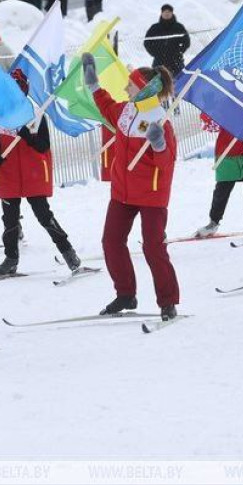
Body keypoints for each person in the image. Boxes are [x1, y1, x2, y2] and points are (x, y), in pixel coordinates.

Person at [83, 56, 180, 319]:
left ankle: (168, 302)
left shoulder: (159, 120)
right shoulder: (127, 111)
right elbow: (107, 108)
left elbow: (167, 163)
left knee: (153, 247)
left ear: (144, 89)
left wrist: (159, 145)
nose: (126, 89)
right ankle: (126, 294)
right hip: (122, 192)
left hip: (151, 194)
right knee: (111, 242)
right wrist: (94, 86)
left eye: (130, 85)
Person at [0, 69, 80, 275]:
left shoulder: (36, 116)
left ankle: (68, 252)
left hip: (33, 175)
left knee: (44, 216)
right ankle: (11, 259)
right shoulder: (0, 117)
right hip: (9, 175)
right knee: (10, 221)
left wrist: (27, 136)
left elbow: (43, 145)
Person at [194, 114, 243, 238]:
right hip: (226, 152)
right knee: (222, 189)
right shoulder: (223, 109)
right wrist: (207, 111)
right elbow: (209, 126)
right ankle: (213, 222)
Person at [143, 4, 191, 76]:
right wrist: (155, 53)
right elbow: (147, 42)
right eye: (165, 12)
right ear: (162, 13)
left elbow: (186, 42)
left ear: (172, 13)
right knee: (157, 80)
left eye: (169, 12)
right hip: (159, 62)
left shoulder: (179, 27)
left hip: (176, 61)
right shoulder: (155, 27)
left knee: (180, 80)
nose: (167, 14)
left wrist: (179, 52)